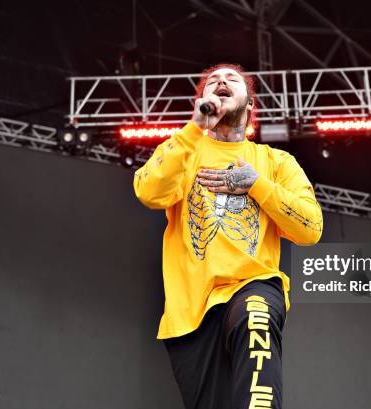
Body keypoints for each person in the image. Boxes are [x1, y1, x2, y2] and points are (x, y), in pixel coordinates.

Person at [133, 63, 323, 409]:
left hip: (253, 284)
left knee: (255, 318)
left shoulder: (276, 161)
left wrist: (257, 185)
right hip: (191, 311)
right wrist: (194, 129)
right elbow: (149, 192)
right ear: (202, 100)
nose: (221, 82)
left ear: (251, 105)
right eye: (212, 82)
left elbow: (310, 228)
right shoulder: (183, 150)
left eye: (231, 79)